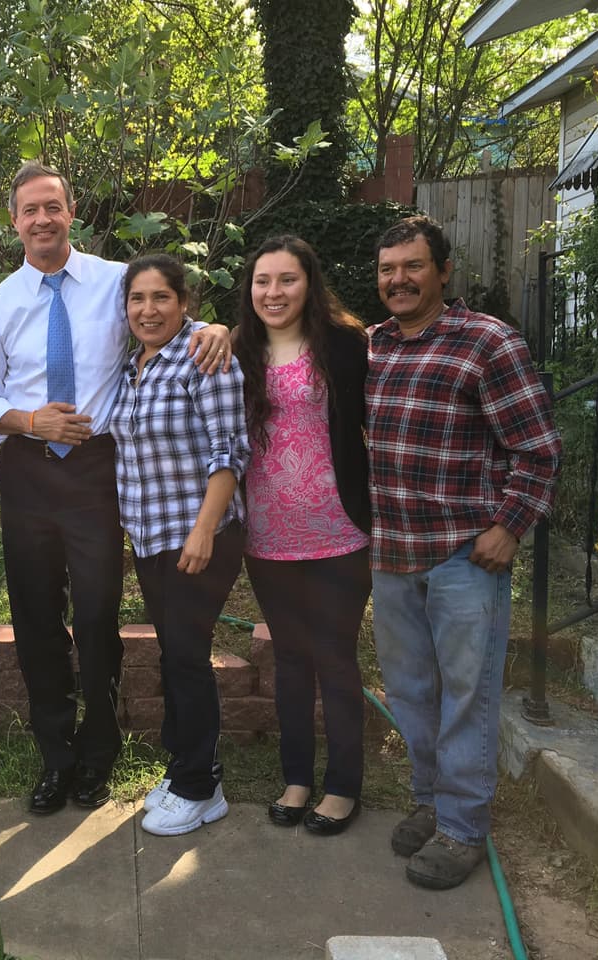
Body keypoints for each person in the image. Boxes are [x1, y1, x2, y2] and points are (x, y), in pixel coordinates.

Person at [0, 161, 231, 815]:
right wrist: (31, 420)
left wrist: (217, 329)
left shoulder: (115, 284)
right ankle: (56, 757)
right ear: (14, 222)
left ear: (72, 212)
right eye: (30, 210)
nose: (43, 219)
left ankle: (98, 751)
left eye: (52, 206)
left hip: (96, 471)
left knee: (95, 615)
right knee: (36, 618)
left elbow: (164, 320)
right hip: (26, 470)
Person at [367, 216, 560, 889]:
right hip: (392, 552)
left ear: (443, 272)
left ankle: (463, 827)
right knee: (411, 691)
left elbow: (538, 448)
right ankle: (430, 799)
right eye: (388, 269)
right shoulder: (372, 347)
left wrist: (510, 526)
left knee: (467, 695)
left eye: (413, 266)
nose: (399, 279)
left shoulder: (487, 342)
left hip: (462, 556)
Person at [233, 236, 372, 838]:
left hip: (339, 529)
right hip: (268, 534)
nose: (274, 293)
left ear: (309, 284)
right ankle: (296, 778)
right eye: (262, 281)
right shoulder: (238, 350)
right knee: (290, 656)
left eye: (287, 280)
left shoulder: (345, 345)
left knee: (335, 656)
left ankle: (343, 786)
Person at [110, 254, 248, 836]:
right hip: (150, 536)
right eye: (137, 299)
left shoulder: (204, 358)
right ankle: (184, 764)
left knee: (187, 656)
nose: (148, 310)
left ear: (184, 302)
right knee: (174, 653)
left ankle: (201, 785)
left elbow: (229, 451)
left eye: (161, 297)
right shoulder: (130, 366)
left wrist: (203, 529)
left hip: (198, 535)